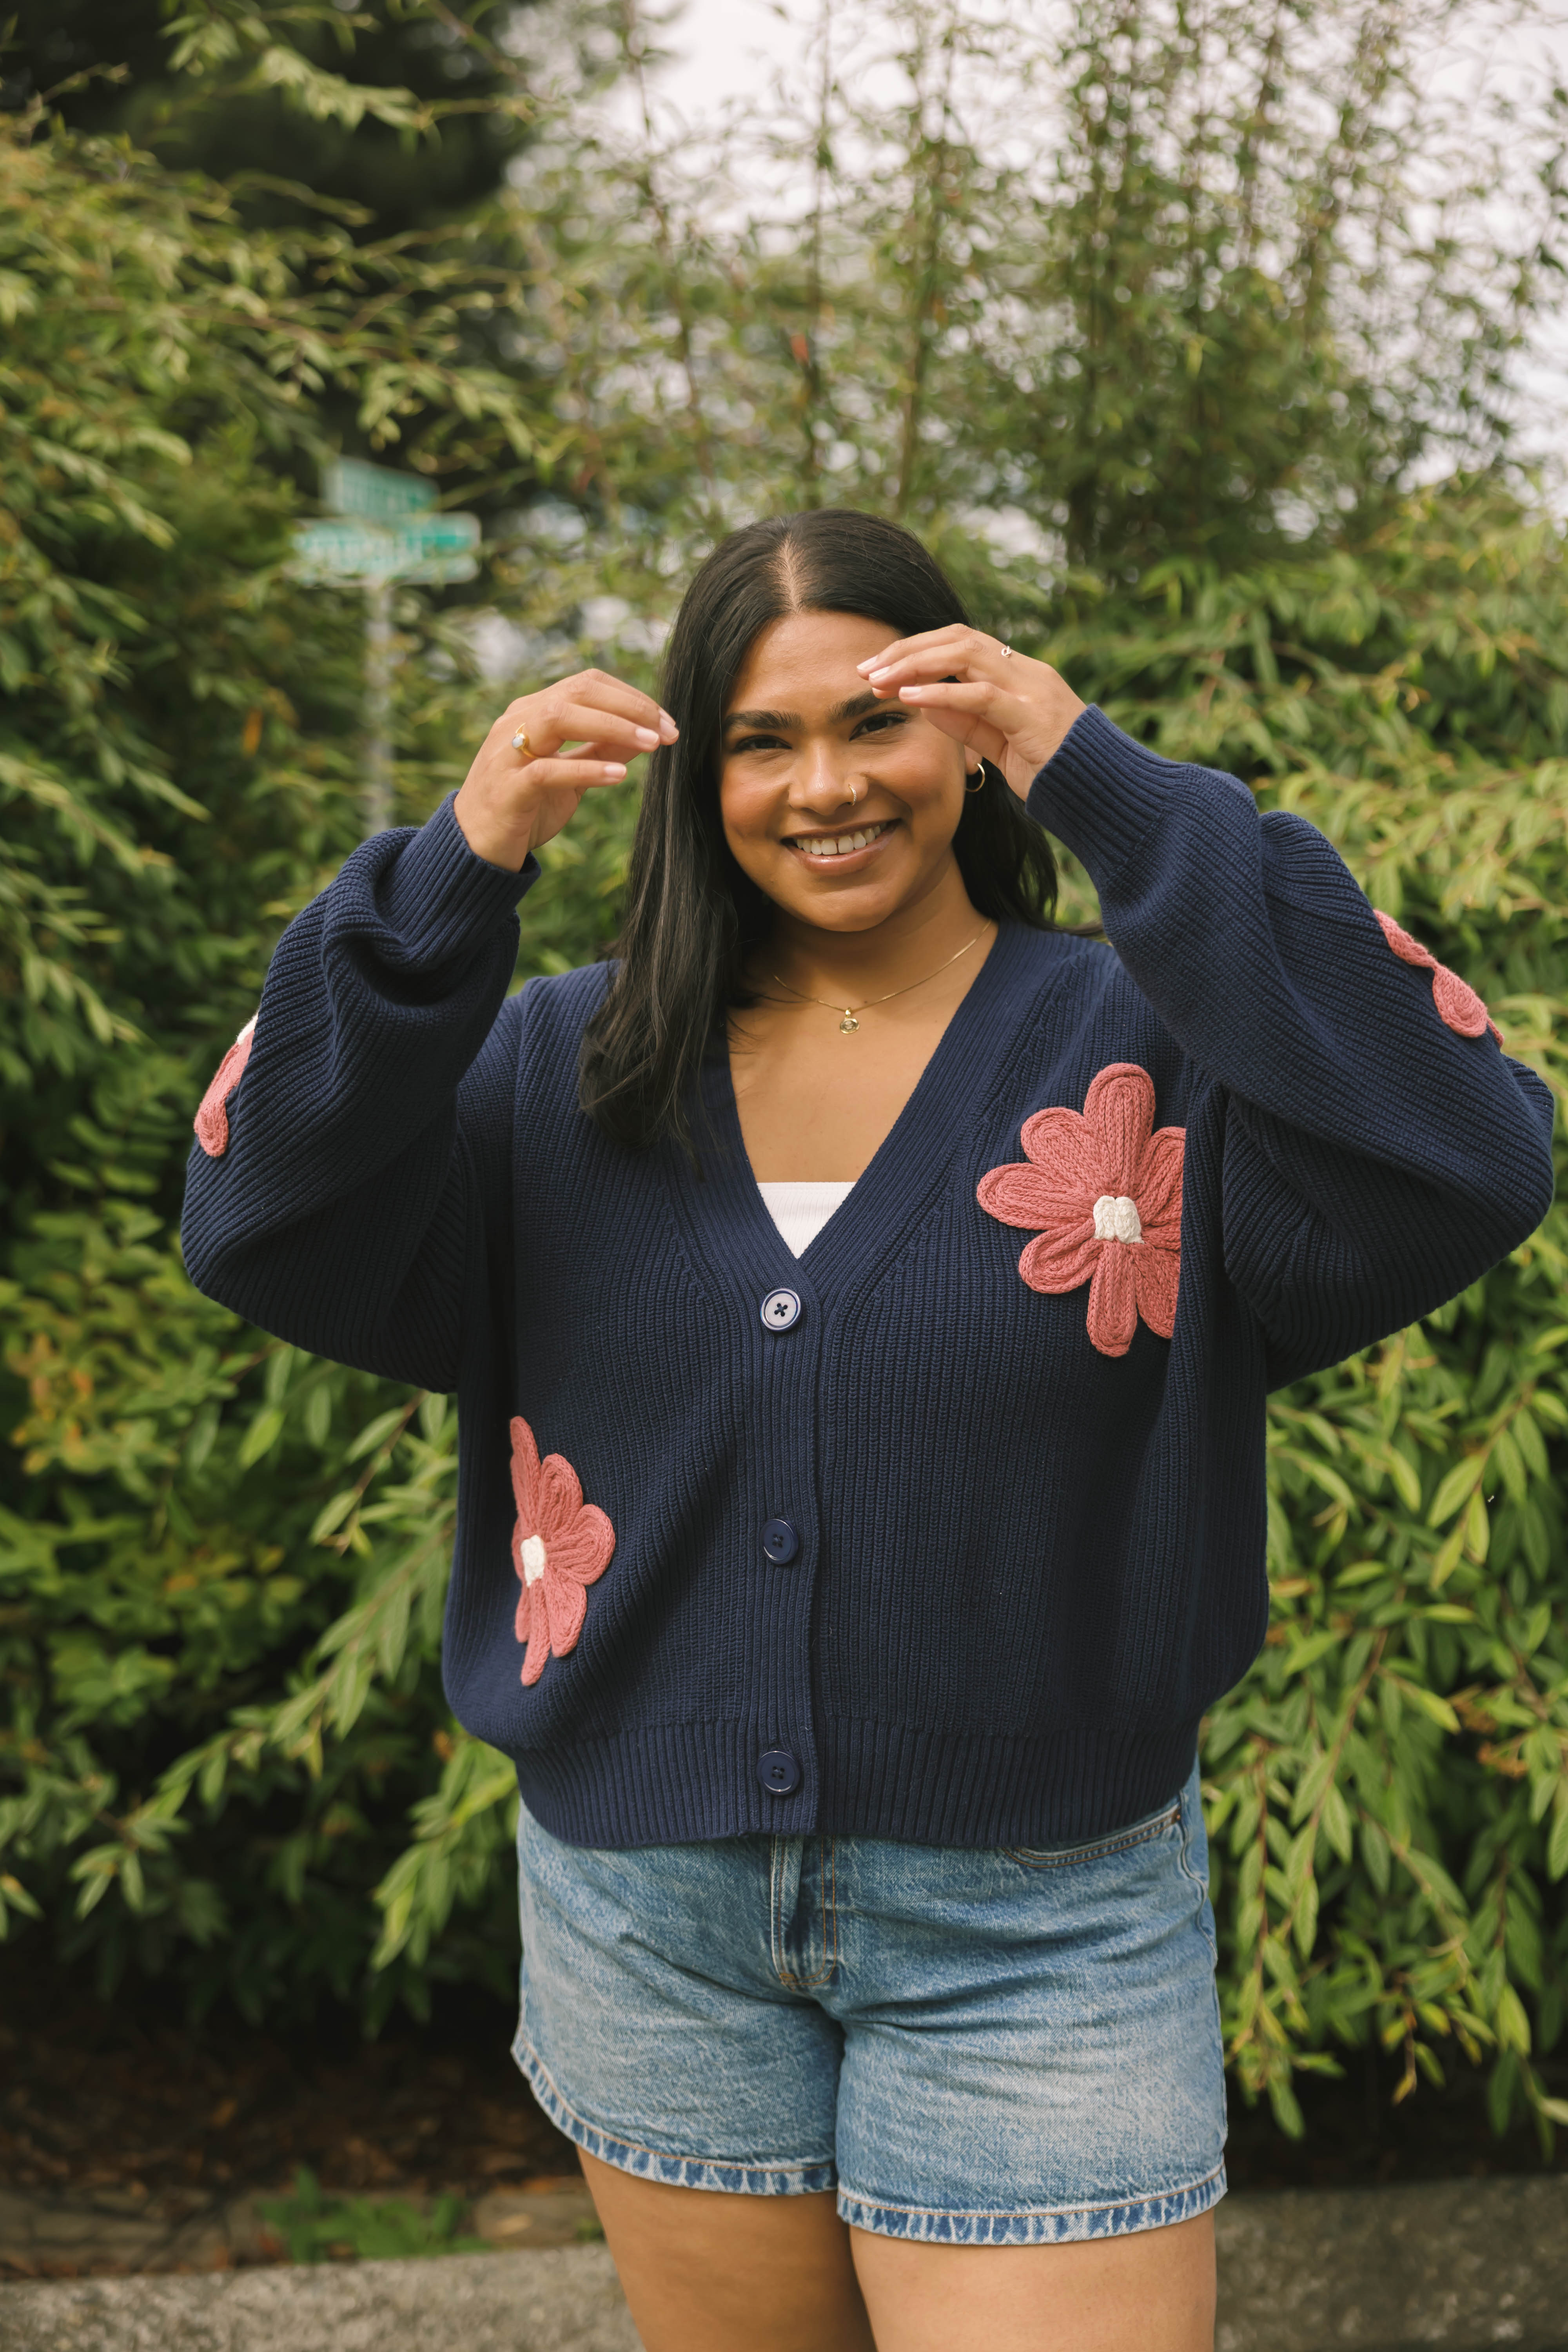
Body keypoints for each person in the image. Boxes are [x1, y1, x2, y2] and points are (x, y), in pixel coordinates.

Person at [182, 509, 1555, 2352]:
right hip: (647, 1924)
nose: (824, 786)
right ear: (696, 774)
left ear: (969, 734)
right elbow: (257, 1208)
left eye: (876, 719)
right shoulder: (558, 1071)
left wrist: (1112, 788)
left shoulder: (1142, 1055)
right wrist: (456, 868)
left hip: (1043, 1929)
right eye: (762, 739)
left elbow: (1466, 1146)